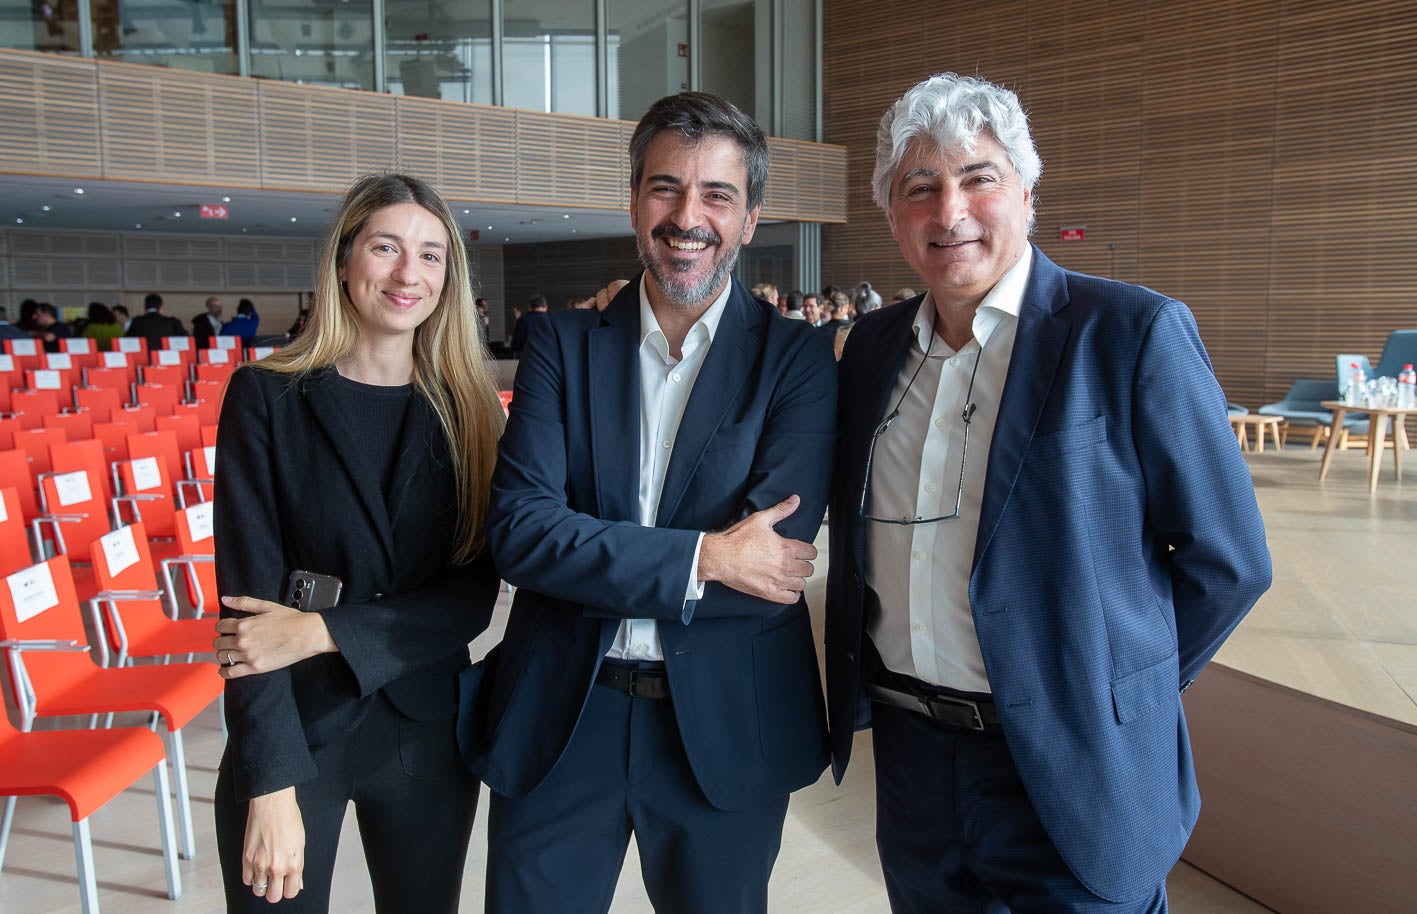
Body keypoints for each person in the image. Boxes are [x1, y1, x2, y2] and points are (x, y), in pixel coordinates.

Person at [825, 73, 1272, 913]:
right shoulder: (873, 349)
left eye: (977, 178)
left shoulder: (1131, 334)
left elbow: (1229, 562)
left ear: (1026, 192)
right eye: (918, 187)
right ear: (892, 215)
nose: (948, 210)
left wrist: (1105, 693)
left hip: (1071, 767)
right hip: (912, 761)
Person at [464, 91, 836, 914]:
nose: (686, 216)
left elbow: (771, 562)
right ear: (633, 200)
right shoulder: (561, 345)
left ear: (749, 218)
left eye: (717, 195)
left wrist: (593, 548)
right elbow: (522, 534)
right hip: (562, 715)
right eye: (665, 187)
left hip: (725, 725)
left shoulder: (798, 363)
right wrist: (706, 555)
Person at [209, 173, 505, 913]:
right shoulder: (265, 397)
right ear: (344, 261)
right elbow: (248, 618)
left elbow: (469, 599)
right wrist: (269, 785)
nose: (411, 274)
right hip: (293, 729)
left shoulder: (470, 415)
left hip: (423, 732)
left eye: (432, 256)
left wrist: (316, 630)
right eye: (386, 247)